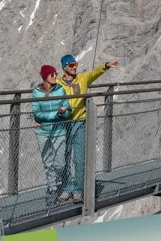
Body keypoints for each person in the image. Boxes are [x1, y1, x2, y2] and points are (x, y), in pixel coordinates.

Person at [55, 54, 119, 202]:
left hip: (80, 123)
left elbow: (94, 73)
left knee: (79, 160)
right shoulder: (57, 84)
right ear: (64, 68)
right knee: (63, 159)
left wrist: (106, 66)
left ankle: (78, 189)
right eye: (71, 65)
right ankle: (66, 188)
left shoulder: (83, 79)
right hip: (63, 125)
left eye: (75, 64)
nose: (74, 67)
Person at [30, 64, 70, 204]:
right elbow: (37, 114)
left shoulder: (61, 90)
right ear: (45, 77)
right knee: (47, 163)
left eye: (56, 74)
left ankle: (60, 185)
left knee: (60, 164)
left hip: (59, 131)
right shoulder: (37, 92)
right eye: (52, 75)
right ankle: (52, 190)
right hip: (43, 132)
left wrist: (63, 112)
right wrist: (57, 114)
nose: (55, 77)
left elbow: (68, 111)